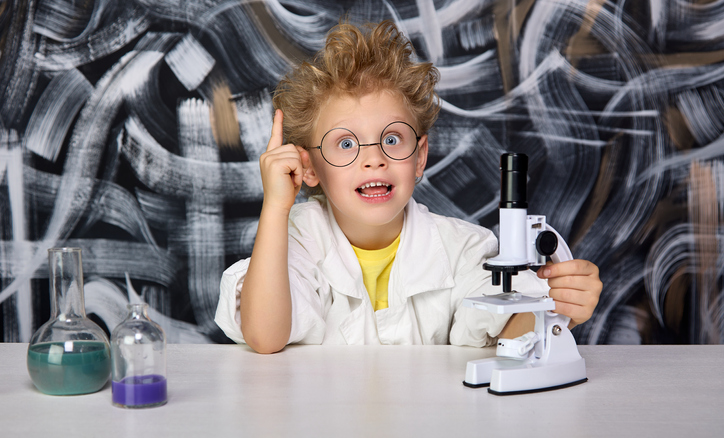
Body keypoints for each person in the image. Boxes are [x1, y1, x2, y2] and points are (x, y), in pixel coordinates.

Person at [215, 20, 602, 354]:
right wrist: (275, 208)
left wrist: (558, 310)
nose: (373, 159)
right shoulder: (295, 240)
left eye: (393, 139)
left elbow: (510, 330)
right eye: (346, 143)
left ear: (419, 157)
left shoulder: (464, 250)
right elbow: (265, 337)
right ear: (309, 167)